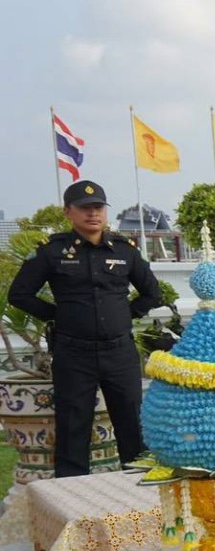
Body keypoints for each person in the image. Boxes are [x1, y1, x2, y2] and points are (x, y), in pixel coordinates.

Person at [6, 180, 162, 477]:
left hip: (119, 352)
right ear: (69, 212)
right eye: (85, 208)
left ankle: (140, 489)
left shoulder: (124, 250)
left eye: (98, 207)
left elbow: (152, 293)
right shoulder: (51, 252)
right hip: (74, 353)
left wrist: (126, 314)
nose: (93, 214)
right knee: (73, 426)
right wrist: (57, 315)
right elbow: (20, 294)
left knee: (132, 422)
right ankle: (72, 496)